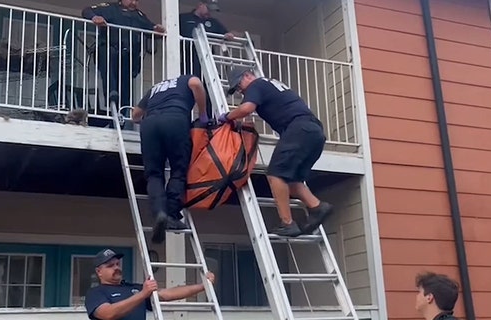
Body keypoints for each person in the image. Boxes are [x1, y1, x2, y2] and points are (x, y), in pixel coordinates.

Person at [217, 66, 332, 237]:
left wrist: (226, 116)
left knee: (275, 175)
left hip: (298, 128)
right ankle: (317, 207)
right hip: (314, 133)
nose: (241, 91)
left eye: (239, 86)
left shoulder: (256, 85)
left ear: (248, 75)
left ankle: (287, 224)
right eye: (238, 90)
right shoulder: (269, 85)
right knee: (292, 181)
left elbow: (247, 108)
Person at [132, 74, 209, 244]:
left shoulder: (154, 89)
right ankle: (172, 215)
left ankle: (159, 212)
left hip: (150, 123)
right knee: (179, 170)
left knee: (154, 174)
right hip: (175, 119)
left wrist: (148, 121)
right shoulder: (186, 79)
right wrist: (203, 115)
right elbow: (196, 84)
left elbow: (135, 115)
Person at [82, 1, 166, 114]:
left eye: (136, 0)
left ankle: (121, 115)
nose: (134, 2)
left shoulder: (139, 15)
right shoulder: (110, 8)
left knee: (125, 91)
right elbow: (86, 11)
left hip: (129, 57)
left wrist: (157, 30)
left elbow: (151, 30)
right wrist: (95, 17)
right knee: (110, 74)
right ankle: (111, 93)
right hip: (110, 51)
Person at [85, 248, 216, 320]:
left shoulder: (134, 288)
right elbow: (108, 314)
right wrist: (142, 294)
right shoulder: (95, 293)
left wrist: (203, 286)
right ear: (99, 272)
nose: (116, 268)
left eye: (117, 264)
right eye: (110, 266)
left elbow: (167, 294)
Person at [179, 0, 234, 117]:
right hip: (188, 61)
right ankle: (184, 120)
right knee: (186, 92)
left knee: (209, 93)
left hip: (207, 64)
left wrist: (228, 36)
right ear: (200, 5)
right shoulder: (183, 18)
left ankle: (208, 121)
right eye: (208, 9)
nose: (210, 13)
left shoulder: (213, 22)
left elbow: (226, 34)